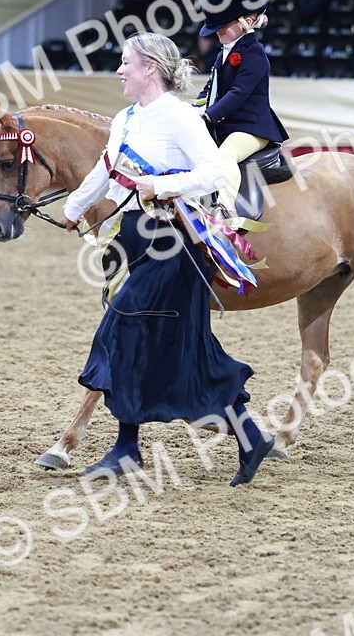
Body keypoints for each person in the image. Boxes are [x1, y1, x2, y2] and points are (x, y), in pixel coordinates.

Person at [59, 32, 276, 486]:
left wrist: (163, 186)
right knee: (182, 348)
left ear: (150, 69)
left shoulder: (180, 118)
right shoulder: (125, 119)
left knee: (120, 329)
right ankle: (243, 436)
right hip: (134, 240)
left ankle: (125, 447)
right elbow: (106, 170)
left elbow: (217, 171)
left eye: (125, 63)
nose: (119, 70)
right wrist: (73, 208)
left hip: (171, 243)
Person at [195, 0, 289, 213]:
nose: (216, 33)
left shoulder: (254, 55)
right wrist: (192, 109)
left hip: (251, 128)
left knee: (225, 155)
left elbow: (238, 93)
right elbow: (211, 88)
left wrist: (208, 117)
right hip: (229, 125)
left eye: (223, 27)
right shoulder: (223, 54)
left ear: (245, 22)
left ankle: (225, 207)